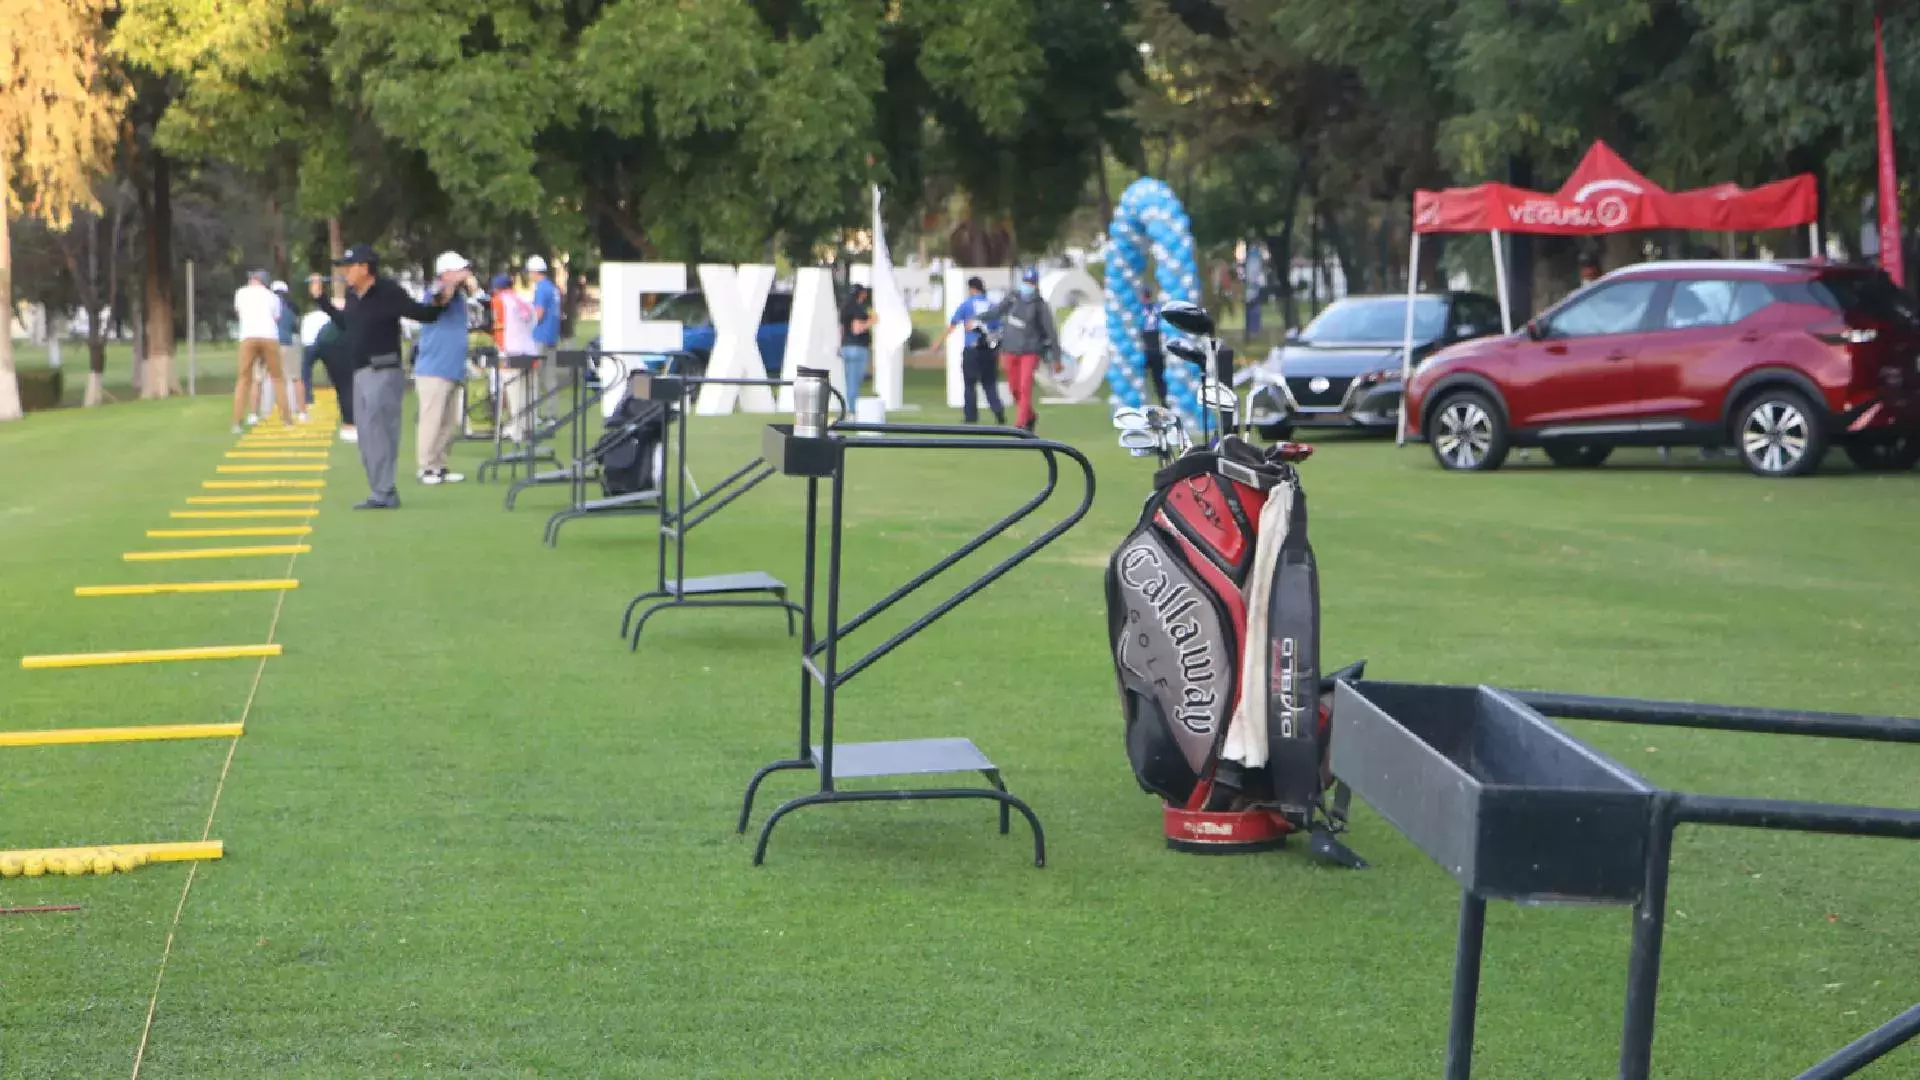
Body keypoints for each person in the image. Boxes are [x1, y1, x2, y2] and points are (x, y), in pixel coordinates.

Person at [310, 244, 452, 510]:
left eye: (348, 267)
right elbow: (346, 324)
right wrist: (322, 301)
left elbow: (420, 313)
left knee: (380, 431)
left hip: (384, 370)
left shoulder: (388, 292)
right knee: (366, 435)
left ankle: (383, 491)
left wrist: (440, 301)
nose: (344, 273)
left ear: (365, 268)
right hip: (361, 372)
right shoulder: (353, 296)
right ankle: (382, 491)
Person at [413, 251, 486, 485]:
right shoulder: (438, 291)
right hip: (434, 369)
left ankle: (440, 466)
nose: (466, 273)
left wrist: (471, 287)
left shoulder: (460, 298)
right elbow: (439, 298)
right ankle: (426, 468)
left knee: (449, 422)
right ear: (446, 273)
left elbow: (483, 303)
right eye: (460, 270)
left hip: (452, 368)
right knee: (431, 420)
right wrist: (453, 282)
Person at [983, 268, 1059, 432]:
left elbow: (1051, 332)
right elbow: (996, 312)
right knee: (1014, 388)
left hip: (1030, 351)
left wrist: (1056, 358)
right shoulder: (1013, 298)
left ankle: (1021, 423)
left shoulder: (1040, 305)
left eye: (1031, 283)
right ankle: (1030, 415)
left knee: (1025, 386)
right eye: (1026, 282)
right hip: (1010, 349)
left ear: (1036, 285)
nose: (1028, 286)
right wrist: (977, 318)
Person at [929, 276, 1005, 425]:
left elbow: (952, 325)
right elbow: (998, 328)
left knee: (970, 384)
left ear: (971, 289)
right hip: (989, 350)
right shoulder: (992, 305)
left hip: (972, 350)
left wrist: (938, 342)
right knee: (989, 383)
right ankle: (998, 412)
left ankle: (971, 417)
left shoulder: (967, 305)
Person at [232, 270, 288, 434]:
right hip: (269, 336)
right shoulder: (273, 297)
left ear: (255, 280)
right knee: (277, 378)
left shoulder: (241, 293)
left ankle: (237, 422)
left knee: (243, 379)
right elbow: (276, 317)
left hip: (248, 336)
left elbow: (239, 312)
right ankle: (286, 419)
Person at [492, 271, 539, 442]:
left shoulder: (499, 301)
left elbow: (498, 328)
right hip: (530, 351)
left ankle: (516, 431)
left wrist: (499, 350)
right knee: (529, 392)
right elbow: (534, 323)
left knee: (514, 392)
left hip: (511, 352)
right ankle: (529, 428)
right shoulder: (524, 300)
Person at [527, 255, 562, 417]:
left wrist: (527, 322)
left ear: (535, 272)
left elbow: (538, 314)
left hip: (540, 337)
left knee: (534, 377)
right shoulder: (553, 288)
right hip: (552, 337)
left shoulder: (541, 288)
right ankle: (552, 414)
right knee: (550, 378)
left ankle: (533, 415)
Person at [272, 281, 307, 424]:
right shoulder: (292, 306)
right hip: (290, 342)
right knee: (296, 378)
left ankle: (282, 411)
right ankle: (302, 412)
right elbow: (295, 325)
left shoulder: (270, 304)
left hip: (273, 343)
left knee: (278, 380)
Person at [839, 284, 873, 406]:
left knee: (847, 380)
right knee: (854, 380)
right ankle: (851, 408)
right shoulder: (858, 309)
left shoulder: (844, 308)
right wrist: (871, 321)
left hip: (846, 347)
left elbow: (841, 330)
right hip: (857, 347)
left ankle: (846, 405)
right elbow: (857, 329)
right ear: (862, 293)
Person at [1140, 287, 1167, 404]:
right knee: (1158, 379)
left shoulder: (1139, 309)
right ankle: (1163, 402)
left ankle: (1160, 402)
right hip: (1156, 347)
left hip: (1147, 347)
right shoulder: (1157, 308)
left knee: (1148, 378)